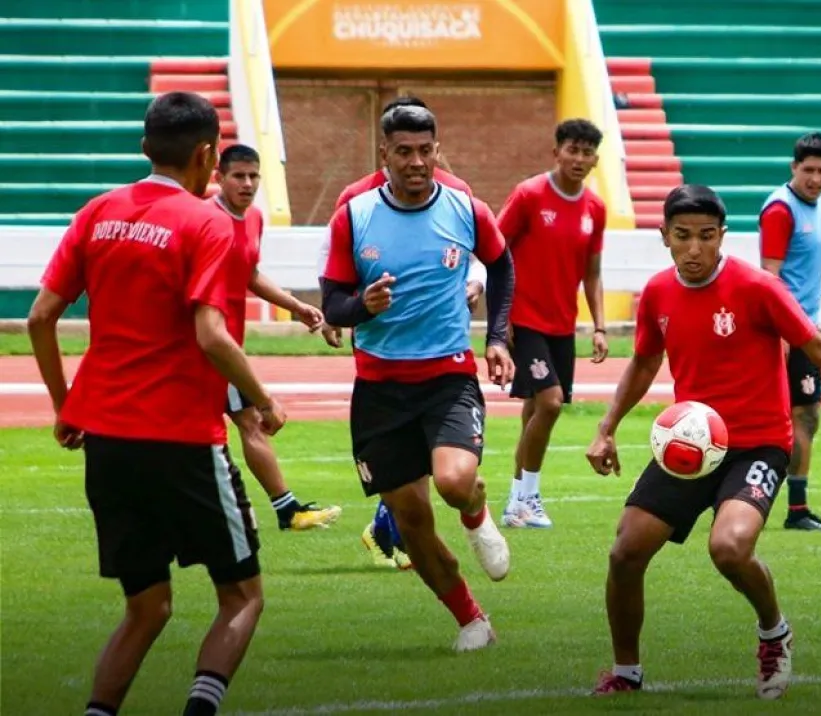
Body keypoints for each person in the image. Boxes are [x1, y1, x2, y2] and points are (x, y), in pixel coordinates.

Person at [585, 185, 821, 700]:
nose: (695, 248)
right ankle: (626, 673)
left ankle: (774, 632)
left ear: (723, 237)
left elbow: (816, 346)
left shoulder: (757, 287)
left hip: (759, 445)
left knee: (728, 548)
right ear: (664, 238)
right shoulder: (657, 293)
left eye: (706, 236)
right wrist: (606, 427)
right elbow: (645, 360)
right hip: (691, 444)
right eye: (683, 237)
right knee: (625, 553)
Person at [27, 91, 287, 716]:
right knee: (242, 597)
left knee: (147, 607)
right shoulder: (207, 222)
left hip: (108, 441)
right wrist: (263, 397)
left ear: (145, 148)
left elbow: (40, 318)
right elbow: (211, 333)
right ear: (207, 155)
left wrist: (66, 405)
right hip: (183, 438)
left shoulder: (97, 213)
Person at [321, 104, 516, 651]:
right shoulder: (353, 215)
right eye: (403, 152)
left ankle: (477, 515)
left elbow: (501, 265)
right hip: (379, 389)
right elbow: (333, 303)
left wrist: (497, 339)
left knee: (454, 482)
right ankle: (471, 620)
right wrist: (364, 305)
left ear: (437, 149)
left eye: (425, 151)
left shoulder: (465, 207)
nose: (416, 162)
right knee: (410, 519)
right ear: (384, 154)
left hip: (448, 378)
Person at [208, 143, 342, 531]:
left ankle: (284, 509)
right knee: (248, 421)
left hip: (227, 343)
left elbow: (249, 274)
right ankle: (278, 510)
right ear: (218, 177)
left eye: (253, 176)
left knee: (244, 422)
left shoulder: (253, 219)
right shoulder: (205, 221)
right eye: (238, 176)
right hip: (208, 346)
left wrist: (296, 306)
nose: (247, 184)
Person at [497, 118, 609, 529]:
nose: (579, 159)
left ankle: (515, 505)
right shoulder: (529, 195)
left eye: (586, 152)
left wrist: (599, 326)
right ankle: (529, 496)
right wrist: (500, 315)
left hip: (563, 325)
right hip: (525, 320)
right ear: (556, 152)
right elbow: (496, 251)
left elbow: (592, 272)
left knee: (534, 412)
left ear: (596, 159)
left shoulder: (595, 208)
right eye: (572, 150)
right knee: (550, 401)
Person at [759, 132, 821, 532]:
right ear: (793, 167)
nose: (815, 178)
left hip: (807, 328)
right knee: (795, 415)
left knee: (806, 415)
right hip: (788, 330)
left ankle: (794, 508)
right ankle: (787, 508)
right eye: (808, 170)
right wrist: (780, 333)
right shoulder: (781, 210)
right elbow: (770, 277)